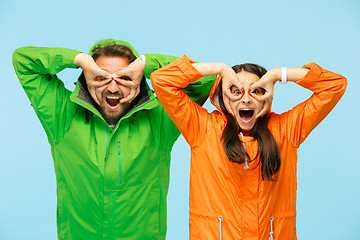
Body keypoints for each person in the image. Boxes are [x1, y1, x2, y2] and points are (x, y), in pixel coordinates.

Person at [12, 39, 216, 240]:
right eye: (101, 77)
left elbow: (203, 79)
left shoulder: (161, 120)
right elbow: (23, 61)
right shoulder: (63, 115)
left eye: (124, 78)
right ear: (87, 78)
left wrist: (146, 64)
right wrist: (80, 60)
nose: (112, 88)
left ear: (138, 80)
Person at [150, 55, 347, 239]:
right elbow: (162, 80)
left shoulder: (287, 130)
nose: (245, 99)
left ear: (267, 95)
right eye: (236, 91)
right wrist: (220, 70)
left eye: (256, 90)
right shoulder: (202, 128)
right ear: (224, 96)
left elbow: (335, 85)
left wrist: (279, 74)